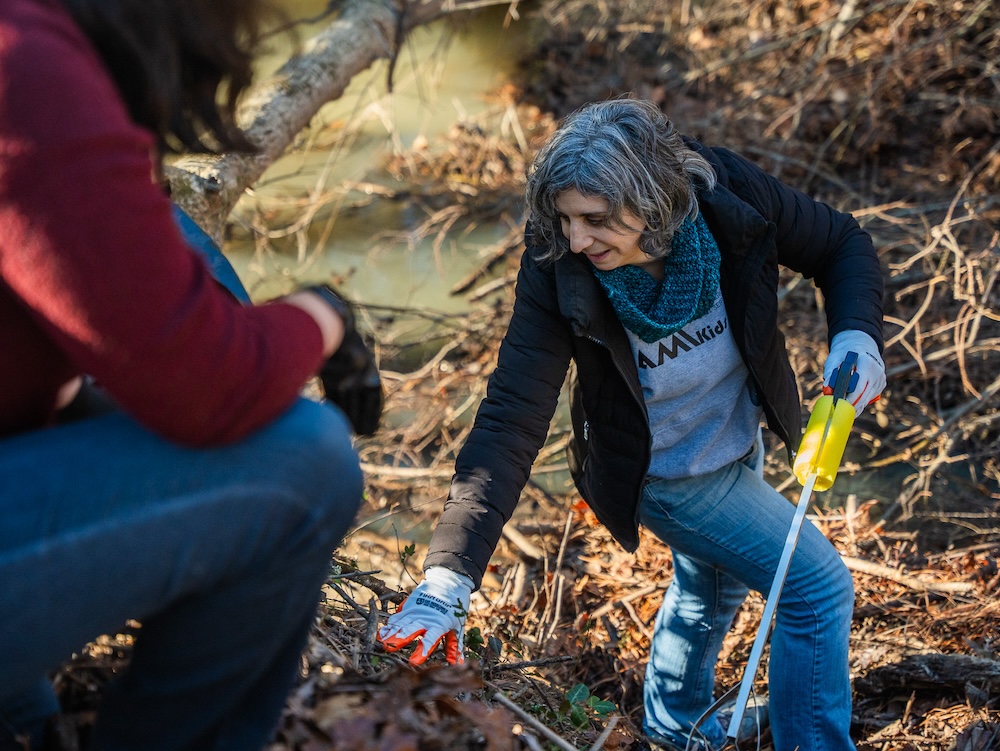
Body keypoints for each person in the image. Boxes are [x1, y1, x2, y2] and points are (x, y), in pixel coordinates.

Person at [377, 97, 886, 751]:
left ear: (655, 204)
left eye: (594, 219)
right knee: (816, 588)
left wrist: (856, 336)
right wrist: (447, 576)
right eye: (563, 218)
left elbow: (841, 243)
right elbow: (510, 418)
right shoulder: (559, 265)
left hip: (733, 433)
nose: (577, 238)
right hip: (665, 472)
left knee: (711, 585)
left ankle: (675, 726)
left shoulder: (727, 196)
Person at [0, 0, 382, 749]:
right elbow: (214, 390)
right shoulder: (25, 64)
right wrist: (322, 315)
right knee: (303, 460)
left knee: (176, 248)